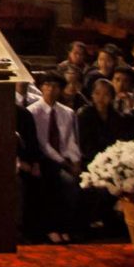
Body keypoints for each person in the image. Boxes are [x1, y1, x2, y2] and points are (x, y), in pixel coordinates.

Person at [29, 72, 82, 243]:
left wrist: (75, 160)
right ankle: (51, 227)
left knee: (76, 182)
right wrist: (63, 162)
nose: (51, 89)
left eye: (56, 86)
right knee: (60, 182)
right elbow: (42, 142)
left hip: (65, 158)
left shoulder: (67, 112)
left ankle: (66, 227)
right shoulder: (33, 111)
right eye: (48, 85)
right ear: (42, 87)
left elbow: (70, 139)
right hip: (45, 158)